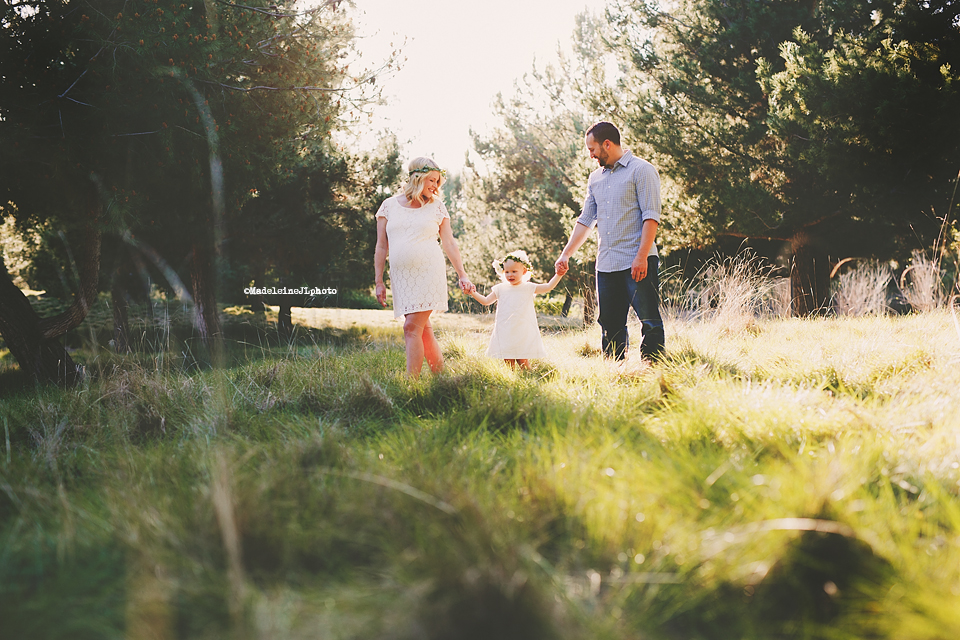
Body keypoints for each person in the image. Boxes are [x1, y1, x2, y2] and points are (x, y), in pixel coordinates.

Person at [555, 122, 665, 362]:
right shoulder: (595, 178)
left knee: (649, 320)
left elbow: (651, 217)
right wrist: (566, 254)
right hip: (606, 264)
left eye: (592, 149)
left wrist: (642, 256)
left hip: (637, 260)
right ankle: (615, 370)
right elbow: (585, 220)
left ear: (607, 144)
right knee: (610, 324)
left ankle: (654, 370)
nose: (591, 155)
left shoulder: (641, 170)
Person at [374, 157, 474, 377]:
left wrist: (462, 274)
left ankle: (412, 386)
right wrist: (379, 281)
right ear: (416, 177)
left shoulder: (437, 207)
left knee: (411, 328)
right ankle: (442, 381)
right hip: (402, 277)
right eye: (431, 180)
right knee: (423, 331)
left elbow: (449, 243)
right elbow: (381, 247)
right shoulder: (388, 206)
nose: (434, 186)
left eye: (437, 182)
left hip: (429, 273)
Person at [468, 250, 563, 370]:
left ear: (523, 271)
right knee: (507, 358)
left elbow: (548, 286)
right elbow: (486, 301)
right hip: (505, 328)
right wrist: (473, 292)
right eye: (507, 272)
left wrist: (559, 274)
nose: (510, 275)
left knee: (522, 358)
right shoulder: (500, 288)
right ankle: (511, 379)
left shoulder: (528, 287)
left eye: (514, 271)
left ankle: (528, 376)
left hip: (522, 328)